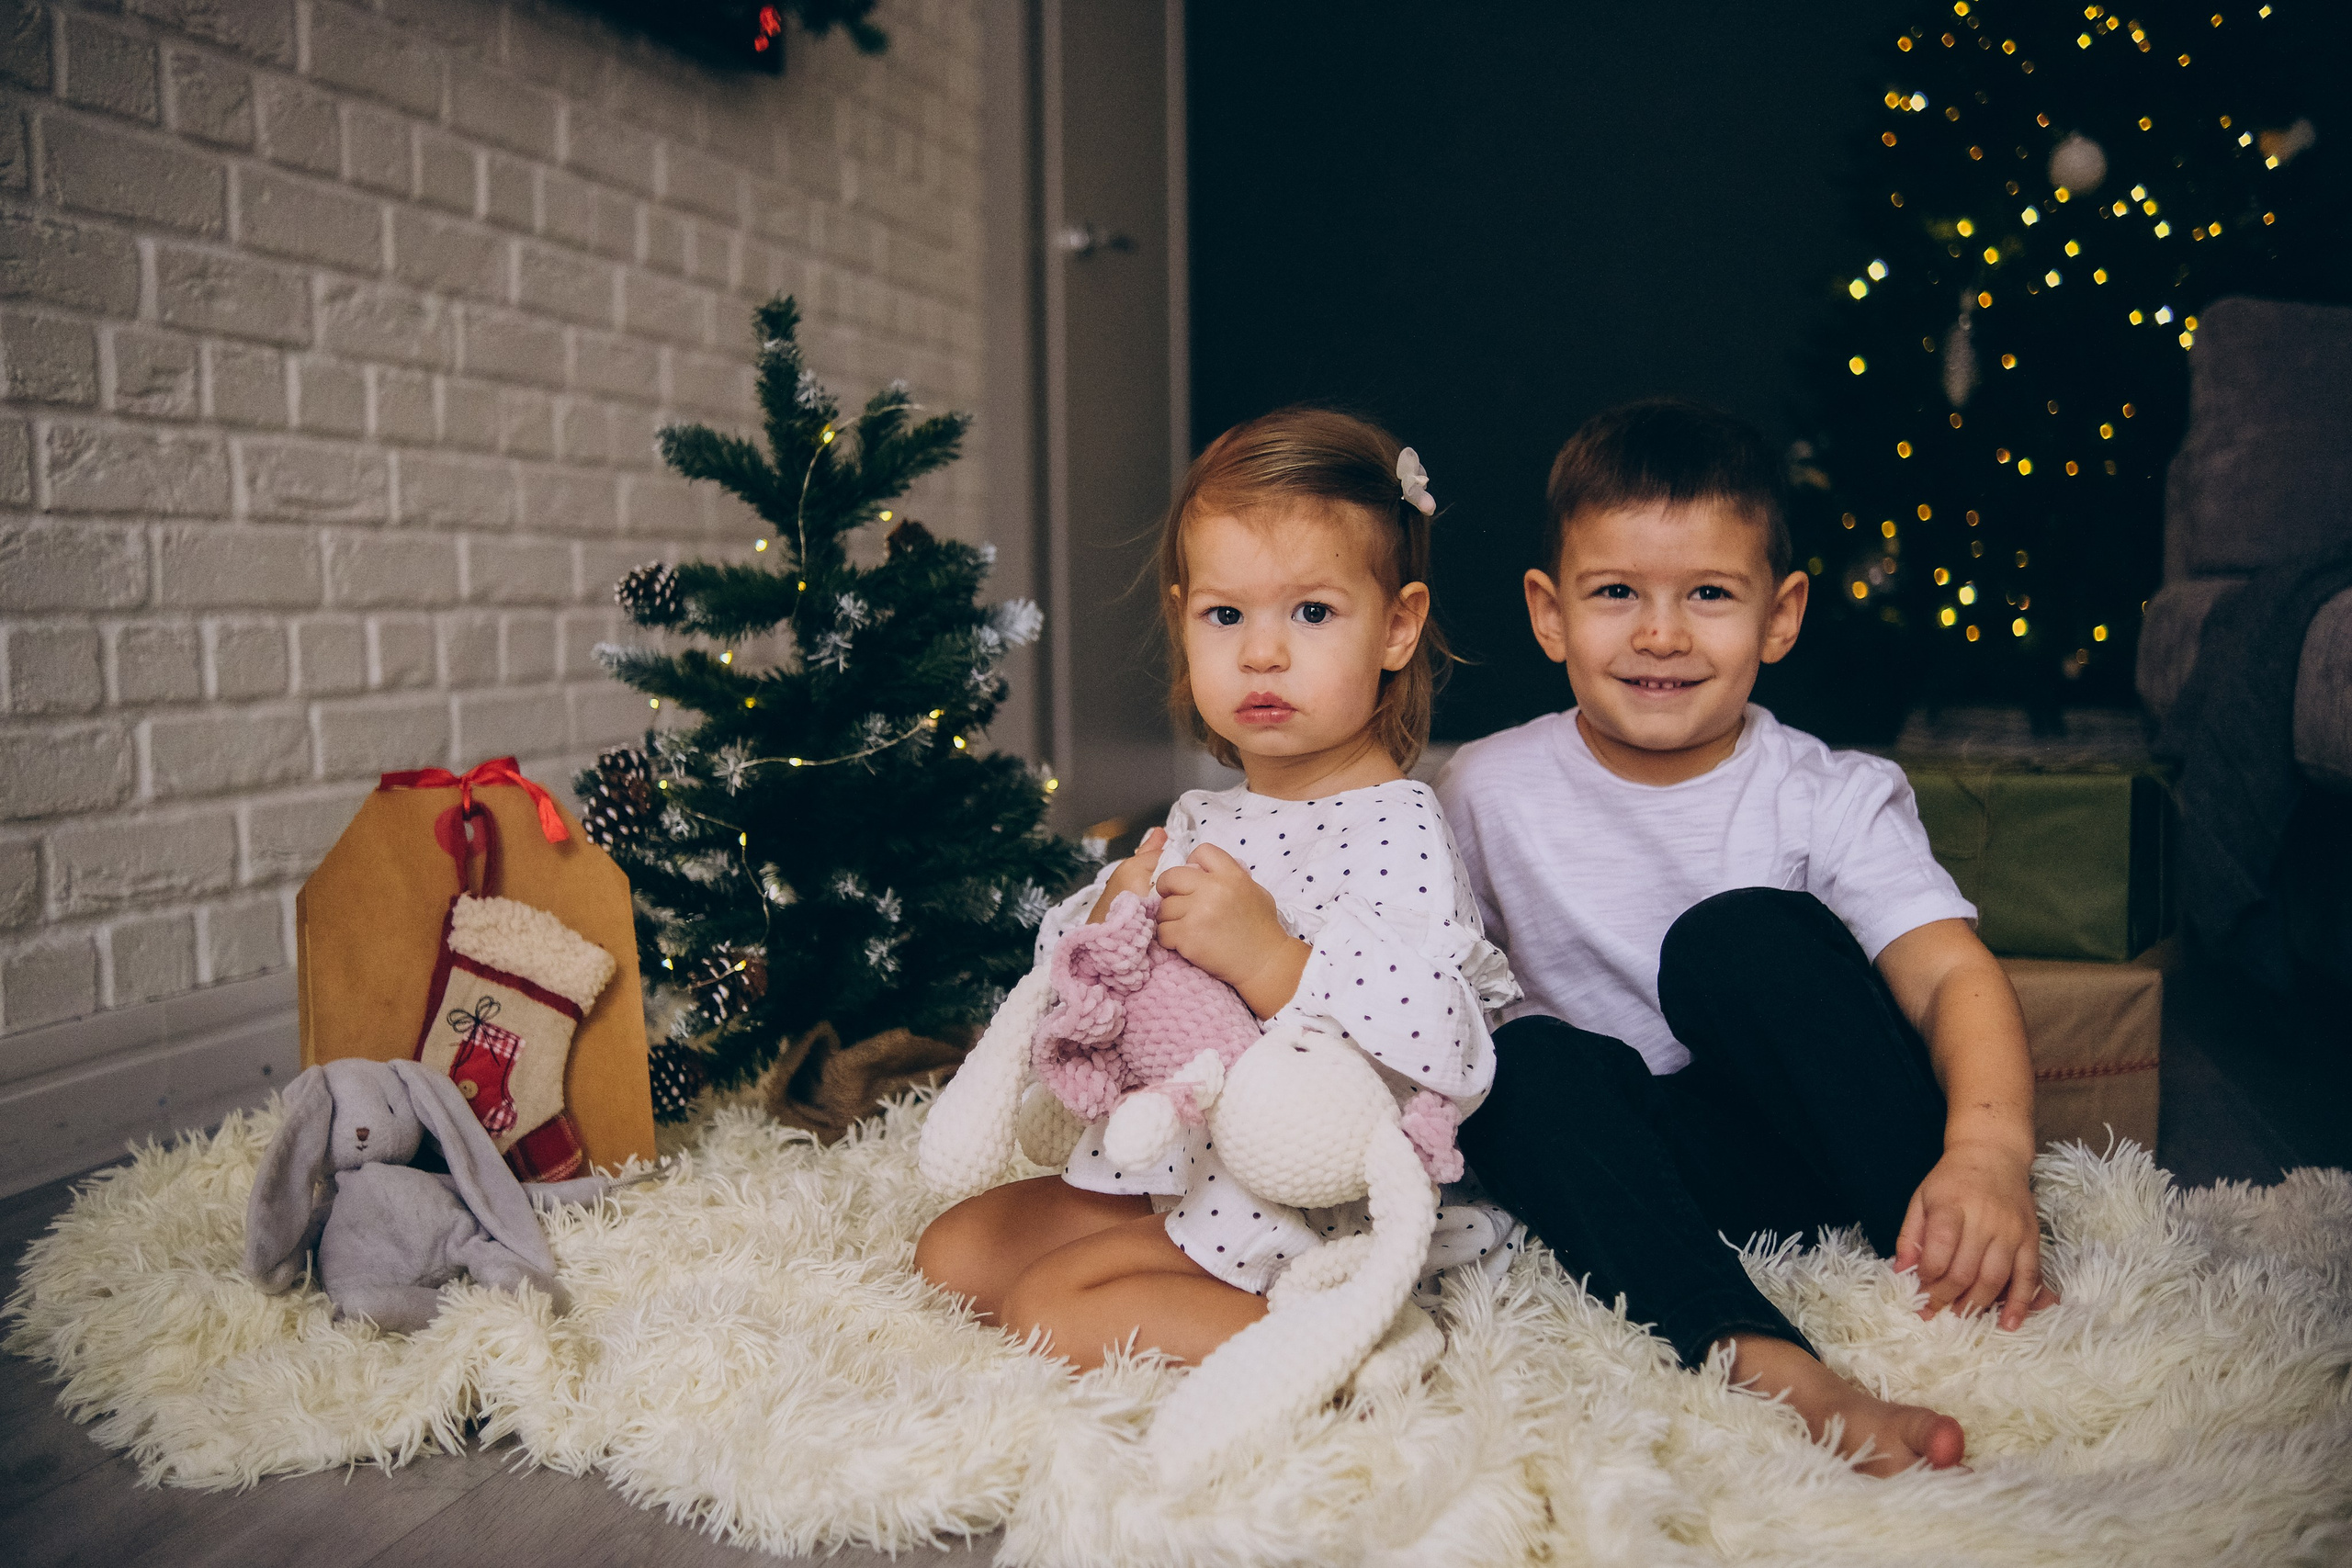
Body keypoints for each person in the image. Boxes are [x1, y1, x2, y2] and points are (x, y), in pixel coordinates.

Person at [1436, 400, 2055, 1476]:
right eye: (1615, 593)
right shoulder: (1484, 789)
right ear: (1549, 613)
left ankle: (1932, 1238)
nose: (1660, 634)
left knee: (1731, 942)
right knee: (1508, 1057)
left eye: (1709, 595)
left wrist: (1988, 1154)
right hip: (1648, 1174)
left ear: (1780, 615)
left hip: (1834, 1144)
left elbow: (1949, 972)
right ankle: (1756, 1348)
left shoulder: (1827, 792)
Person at [916, 407, 1520, 1370]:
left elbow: (1450, 1042)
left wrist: (1274, 961)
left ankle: (1343, 1348)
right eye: (1224, 615)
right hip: (1172, 1160)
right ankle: (1162, 1272)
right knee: (951, 1255)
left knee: (1049, 1308)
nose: (1261, 653)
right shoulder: (1202, 815)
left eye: (1311, 613)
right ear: (1183, 617)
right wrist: (1106, 916)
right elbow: (1080, 989)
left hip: (1307, 1198)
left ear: (1397, 627)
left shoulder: (1396, 825)